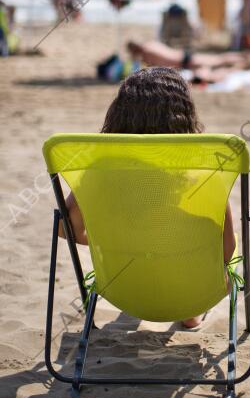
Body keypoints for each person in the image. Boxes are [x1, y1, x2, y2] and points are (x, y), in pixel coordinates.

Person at [61, 67, 236, 329]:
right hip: (193, 292)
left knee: (138, 236)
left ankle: (145, 271)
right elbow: (226, 250)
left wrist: (105, 240)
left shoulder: (99, 168)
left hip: (122, 290)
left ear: (119, 114)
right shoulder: (201, 164)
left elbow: (65, 229)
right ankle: (190, 313)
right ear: (184, 115)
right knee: (191, 233)